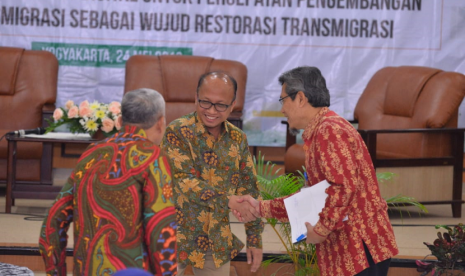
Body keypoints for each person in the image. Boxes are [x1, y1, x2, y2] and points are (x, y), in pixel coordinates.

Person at [235, 66, 399, 276]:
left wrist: (320, 231)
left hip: (359, 248)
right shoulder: (324, 128)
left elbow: (342, 187)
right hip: (352, 248)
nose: (282, 109)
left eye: (283, 100)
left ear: (301, 98)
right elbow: (316, 197)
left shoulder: (329, 131)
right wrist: (260, 207)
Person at [39, 88, 177, 276]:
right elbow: (161, 231)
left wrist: (56, 273)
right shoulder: (154, 158)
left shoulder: (91, 153)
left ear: (120, 121)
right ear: (160, 123)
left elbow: (53, 220)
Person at [160, 71, 264, 276]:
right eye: (205, 102)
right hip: (173, 236)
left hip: (215, 240)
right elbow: (182, 181)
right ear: (195, 98)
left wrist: (254, 239)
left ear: (232, 105)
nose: (211, 111)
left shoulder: (238, 138)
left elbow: (249, 189)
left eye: (221, 105)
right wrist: (228, 201)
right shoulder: (176, 132)